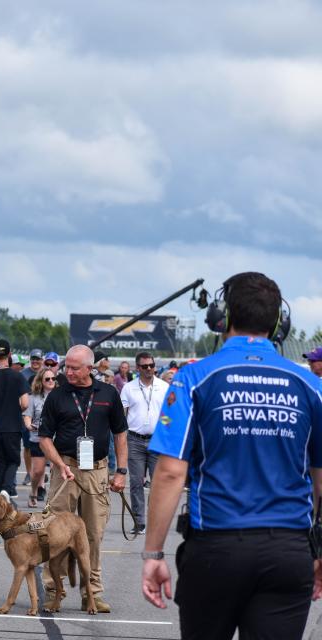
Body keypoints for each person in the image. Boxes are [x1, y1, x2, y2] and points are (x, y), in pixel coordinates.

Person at [142, 272, 322, 639]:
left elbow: (171, 473)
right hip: (288, 550)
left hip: (216, 547)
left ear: (221, 318)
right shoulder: (311, 386)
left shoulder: (194, 379)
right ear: (280, 324)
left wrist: (153, 555)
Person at [37, 344, 127, 613]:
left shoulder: (109, 394)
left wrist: (120, 471)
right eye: (67, 366)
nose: (69, 372)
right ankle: (53, 589)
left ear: (90, 368)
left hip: (96, 471)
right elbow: (44, 438)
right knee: (56, 532)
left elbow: (120, 434)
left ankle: (93, 592)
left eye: (75, 368)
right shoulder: (57, 396)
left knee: (93, 535)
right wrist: (58, 464)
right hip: (64, 469)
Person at [119, 352, 167, 535]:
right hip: (135, 440)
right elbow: (122, 415)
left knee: (157, 485)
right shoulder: (128, 388)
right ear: (137, 368)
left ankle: (155, 522)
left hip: (156, 440)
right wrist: (121, 438)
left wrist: (167, 431)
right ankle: (139, 521)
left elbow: (169, 414)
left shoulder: (164, 387)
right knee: (136, 482)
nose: (149, 369)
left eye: (151, 365)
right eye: (145, 366)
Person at [0, 339, 29, 498]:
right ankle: (7, 489)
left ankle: (0, 490)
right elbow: (25, 403)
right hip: (13, 427)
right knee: (13, 461)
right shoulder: (18, 377)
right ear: (9, 354)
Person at [23, 369, 56, 507]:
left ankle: (54, 498)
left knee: (56, 470)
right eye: (47, 379)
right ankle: (34, 491)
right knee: (38, 471)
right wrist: (29, 426)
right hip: (38, 438)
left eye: (53, 379)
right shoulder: (33, 398)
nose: (51, 381)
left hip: (56, 439)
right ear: (41, 382)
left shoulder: (59, 396)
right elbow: (27, 416)